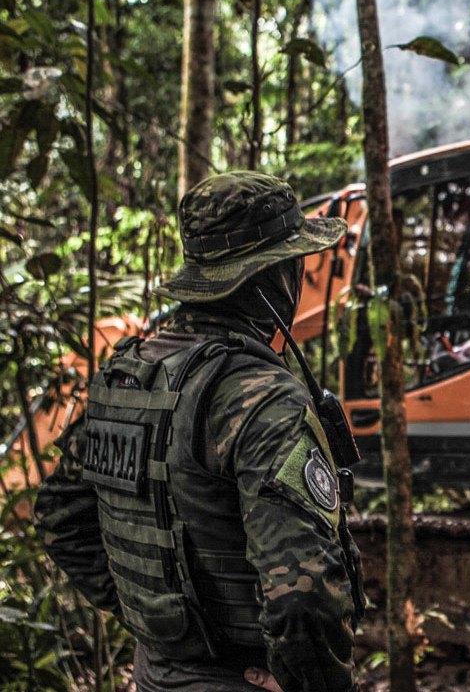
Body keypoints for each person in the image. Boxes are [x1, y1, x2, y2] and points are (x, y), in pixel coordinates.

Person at [35, 172, 361, 692]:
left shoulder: (125, 376)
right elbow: (304, 595)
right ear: (272, 276)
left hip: (155, 673)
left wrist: (161, 623)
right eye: (295, 261)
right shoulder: (260, 396)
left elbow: (58, 516)